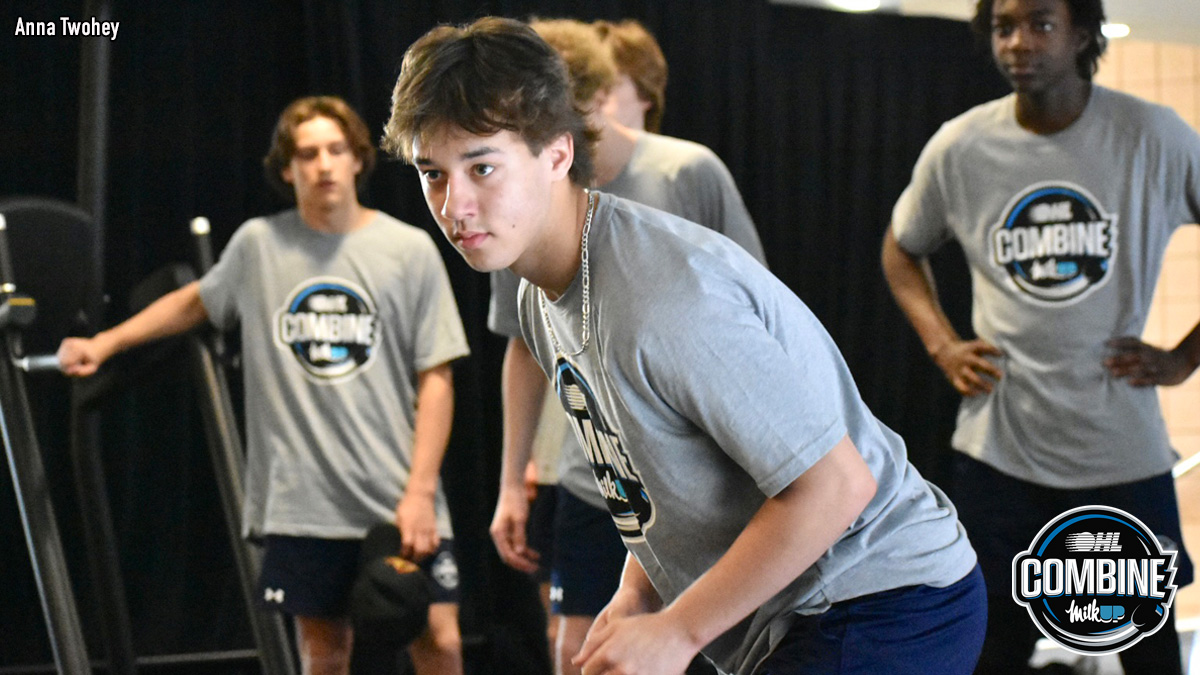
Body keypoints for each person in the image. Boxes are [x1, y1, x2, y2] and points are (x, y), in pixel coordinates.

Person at [384, 17, 986, 675]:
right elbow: (659, 470)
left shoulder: (661, 295)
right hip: (805, 611)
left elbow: (836, 485)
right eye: (433, 174)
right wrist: (636, 593)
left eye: (482, 166)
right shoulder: (539, 291)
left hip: (885, 597)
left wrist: (677, 630)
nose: (456, 205)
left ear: (557, 154)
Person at [57, 96, 469, 675]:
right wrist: (104, 344)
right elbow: (193, 302)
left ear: (357, 160)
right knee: (325, 654)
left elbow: (438, 378)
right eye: (307, 154)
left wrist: (421, 492)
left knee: (440, 643)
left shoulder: (408, 249)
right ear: (286, 169)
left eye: (335, 150)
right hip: (304, 504)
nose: (323, 165)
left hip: (399, 497)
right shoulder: (259, 245)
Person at [881, 0, 1200, 672]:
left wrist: (1182, 358)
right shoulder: (962, 144)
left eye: (1041, 24)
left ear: (1081, 34)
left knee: (1149, 649)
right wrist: (942, 343)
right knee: (990, 642)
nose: (1019, 42)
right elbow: (900, 248)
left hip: (1121, 452)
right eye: (1004, 27)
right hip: (1002, 450)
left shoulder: (1153, 135)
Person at [485, 17, 767, 675]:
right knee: (580, 652)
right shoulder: (516, 204)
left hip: (702, 474)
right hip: (601, 478)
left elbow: (757, 312)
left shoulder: (686, 171)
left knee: (704, 648)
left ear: (591, 97)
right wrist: (510, 481)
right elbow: (523, 347)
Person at [593, 19, 668, 134]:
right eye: (593, 83)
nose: (598, 95)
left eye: (611, 84)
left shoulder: (682, 152)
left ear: (645, 94)